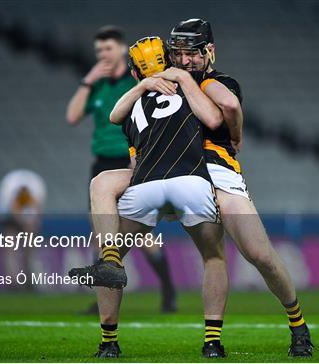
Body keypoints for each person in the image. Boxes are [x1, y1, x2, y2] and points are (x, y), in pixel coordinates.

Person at [83, 19, 314, 358]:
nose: (184, 59)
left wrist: (234, 134)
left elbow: (230, 107)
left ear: (210, 51)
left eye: (191, 53)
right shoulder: (160, 86)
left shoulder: (215, 81)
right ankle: (129, 337)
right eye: (178, 53)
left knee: (260, 254)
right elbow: (128, 128)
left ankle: (297, 323)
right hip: (178, 174)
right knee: (115, 233)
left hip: (217, 174)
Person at [69, 36, 229, 359]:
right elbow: (215, 120)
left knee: (107, 254)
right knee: (213, 257)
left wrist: (143, 87)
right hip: (191, 182)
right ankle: (212, 342)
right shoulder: (193, 86)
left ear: (134, 74)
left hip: (146, 183)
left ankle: (108, 342)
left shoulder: (132, 106)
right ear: (171, 61)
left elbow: (118, 123)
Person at [65, 25, 176, 312]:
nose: (103, 54)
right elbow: (73, 116)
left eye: (108, 48)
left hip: (130, 161)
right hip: (102, 164)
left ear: (121, 49)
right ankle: (103, 292)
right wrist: (88, 80)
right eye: (99, 50)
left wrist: (136, 157)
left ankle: (168, 290)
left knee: (141, 235)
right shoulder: (98, 86)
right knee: (101, 233)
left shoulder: (136, 80)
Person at [0, 169, 46, 288]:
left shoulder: (37, 188)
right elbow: (13, 208)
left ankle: (29, 277)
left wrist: (31, 224)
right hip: (8, 217)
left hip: (27, 216)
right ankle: (12, 281)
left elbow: (37, 210)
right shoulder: (10, 189)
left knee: (30, 247)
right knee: (10, 247)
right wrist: (23, 221)